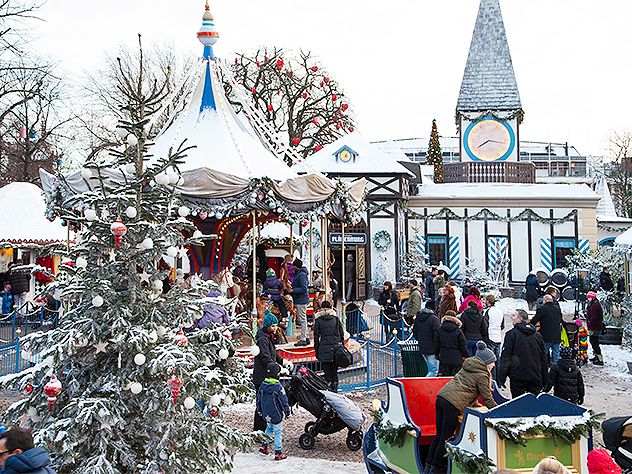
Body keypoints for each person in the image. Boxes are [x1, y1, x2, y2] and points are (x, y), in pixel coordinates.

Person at [425, 341, 498, 473]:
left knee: (439, 436)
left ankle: (428, 467)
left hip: (441, 398)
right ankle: (435, 469)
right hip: (452, 404)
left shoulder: (469, 366)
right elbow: (487, 398)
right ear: (486, 362)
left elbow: (466, 388)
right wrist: (498, 411)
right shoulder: (482, 374)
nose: (493, 365)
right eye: (492, 362)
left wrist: (475, 404)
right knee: (446, 438)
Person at [252, 311, 290, 431]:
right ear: (267, 326)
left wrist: (282, 361)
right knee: (262, 403)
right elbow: (265, 356)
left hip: (267, 374)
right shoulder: (263, 339)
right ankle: (259, 429)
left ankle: (264, 428)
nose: (275, 328)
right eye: (273, 326)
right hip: (262, 375)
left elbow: (272, 353)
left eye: (275, 325)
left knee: (265, 403)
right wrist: (276, 368)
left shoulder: (268, 338)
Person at [499, 309, 547, 398]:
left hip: (518, 376)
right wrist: (545, 378)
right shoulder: (537, 335)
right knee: (533, 405)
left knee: (518, 404)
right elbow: (543, 358)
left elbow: (506, 357)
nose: (511, 317)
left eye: (513, 315)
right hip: (534, 374)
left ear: (520, 319)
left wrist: (501, 378)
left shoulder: (511, 335)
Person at [256, 362, 291, 461]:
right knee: (278, 431)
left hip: (266, 413)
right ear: (277, 374)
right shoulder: (278, 387)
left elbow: (258, 399)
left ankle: (264, 446)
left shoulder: (262, 385)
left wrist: (259, 410)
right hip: (276, 413)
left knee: (269, 427)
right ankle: (278, 452)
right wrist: (287, 411)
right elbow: (283, 400)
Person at [313, 301, 344, 392]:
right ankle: (335, 390)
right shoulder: (336, 319)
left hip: (324, 348)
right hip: (335, 349)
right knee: (334, 372)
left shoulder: (318, 321)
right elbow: (341, 335)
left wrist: (317, 350)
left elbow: (316, 337)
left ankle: (329, 390)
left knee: (327, 372)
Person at [531, 294, 563, 364]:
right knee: (556, 354)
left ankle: (544, 368)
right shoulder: (557, 308)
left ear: (544, 300)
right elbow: (560, 320)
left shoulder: (543, 309)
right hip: (557, 335)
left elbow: (535, 319)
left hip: (546, 336)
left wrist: (530, 325)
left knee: (543, 354)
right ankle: (556, 370)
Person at [435, 310, 469, 376]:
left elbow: (436, 344)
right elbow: (462, 345)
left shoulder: (440, 330)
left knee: (444, 378)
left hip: (444, 356)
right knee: (456, 378)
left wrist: (437, 354)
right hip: (456, 357)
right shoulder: (458, 331)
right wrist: (466, 355)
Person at [412, 301, 440, 376]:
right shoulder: (434, 319)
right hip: (432, 348)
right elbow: (437, 335)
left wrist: (420, 340)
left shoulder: (418, 318)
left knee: (430, 369)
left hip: (422, 346)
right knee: (434, 371)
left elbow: (415, 332)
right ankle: (426, 386)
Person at [484, 294, 504, 381]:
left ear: (488, 302)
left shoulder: (487, 311)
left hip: (490, 336)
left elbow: (485, 324)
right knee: (497, 360)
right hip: (498, 336)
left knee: (490, 361)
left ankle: (492, 379)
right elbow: (502, 325)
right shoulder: (500, 311)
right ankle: (498, 380)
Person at [291, 259, 310, 347]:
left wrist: (293, 290)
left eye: (293, 266)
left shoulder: (301, 275)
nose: (293, 268)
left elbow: (304, 288)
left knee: (302, 319)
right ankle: (305, 337)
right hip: (300, 299)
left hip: (301, 300)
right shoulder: (300, 274)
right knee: (303, 319)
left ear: (296, 266)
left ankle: (303, 338)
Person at [586, 291, 605, 366]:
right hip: (596, 327)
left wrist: (590, 326)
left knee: (594, 342)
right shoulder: (595, 304)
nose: (588, 299)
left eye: (589, 297)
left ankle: (600, 359)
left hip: (595, 328)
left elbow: (594, 317)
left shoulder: (594, 305)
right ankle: (596, 356)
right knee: (593, 341)